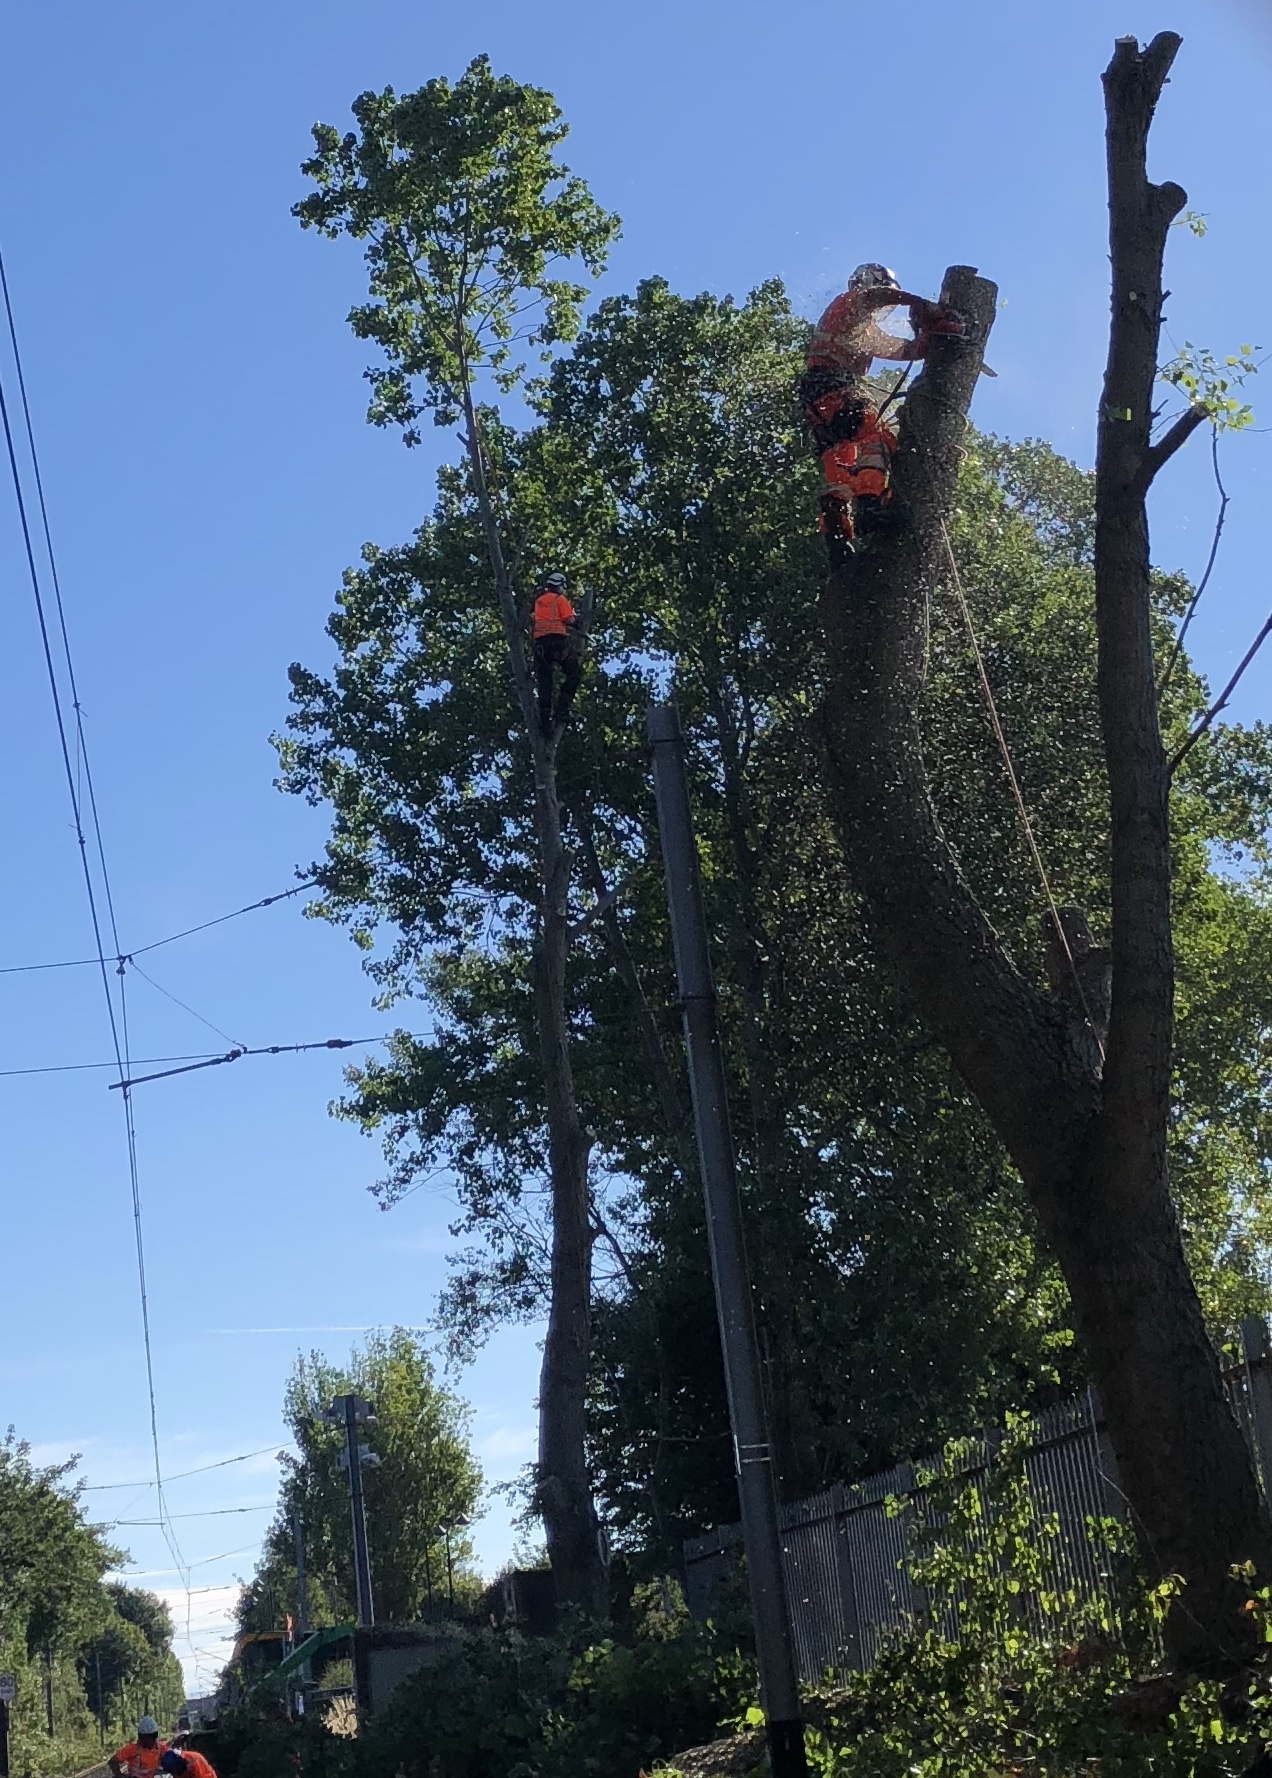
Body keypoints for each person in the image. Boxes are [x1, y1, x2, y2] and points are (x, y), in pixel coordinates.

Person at [801, 264, 964, 556]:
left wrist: (926, 341)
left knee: (839, 466)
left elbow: (903, 351)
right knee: (874, 437)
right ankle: (870, 506)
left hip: (818, 398)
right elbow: (876, 296)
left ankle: (837, 542)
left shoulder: (862, 330)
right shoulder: (849, 304)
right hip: (832, 385)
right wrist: (924, 307)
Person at [531, 572, 584, 737]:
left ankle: (544, 723)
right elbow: (569, 619)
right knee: (574, 673)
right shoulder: (559, 600)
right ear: (559, 585)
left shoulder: (539, 601)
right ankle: (562, 710)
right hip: (556, 643)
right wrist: (578, 622)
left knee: (545, 683)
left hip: (540, 645)